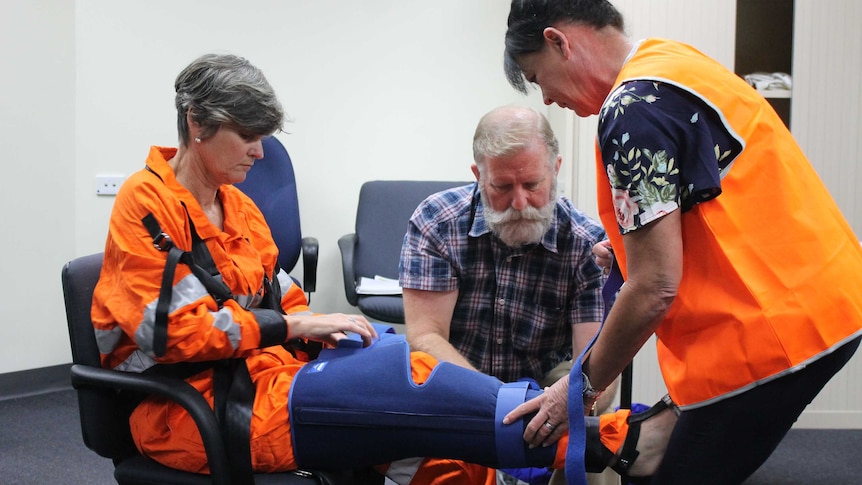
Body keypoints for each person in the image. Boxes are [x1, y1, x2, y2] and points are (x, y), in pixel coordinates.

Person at [90, 52, 670, 485]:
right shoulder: (147, 203)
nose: (260, 153)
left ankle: (590, 444)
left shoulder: (239, 208)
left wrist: (324, 331)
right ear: (197, 123)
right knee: (404, 392)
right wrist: (294, 330)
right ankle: (613, 442)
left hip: (269, 379)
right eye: (247, 136)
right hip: (186, 407)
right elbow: (167, 333)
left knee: (401, 368)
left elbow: (282, 299)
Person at [502, 1, 862, 484]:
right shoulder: (673, 63)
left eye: (536, 75)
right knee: (665, 447)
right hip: (825, 294)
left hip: (776, 333)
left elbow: (655, 288)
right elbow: (713, 193)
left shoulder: (630, 112)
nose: (545, 98)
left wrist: (576, 389)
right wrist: (631, 253)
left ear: (558, 42)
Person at [400, 105, 613, 426]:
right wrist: (495, 404)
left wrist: (565, 404)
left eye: (531, 185)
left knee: (594, 413)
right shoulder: (436, 221)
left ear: (555, 169)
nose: (519, 203)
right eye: (501, 187)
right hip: (455, 379)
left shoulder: (586, 243)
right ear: (478, 175)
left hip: (545, 388)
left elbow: (595, 363)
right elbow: (426, 336)